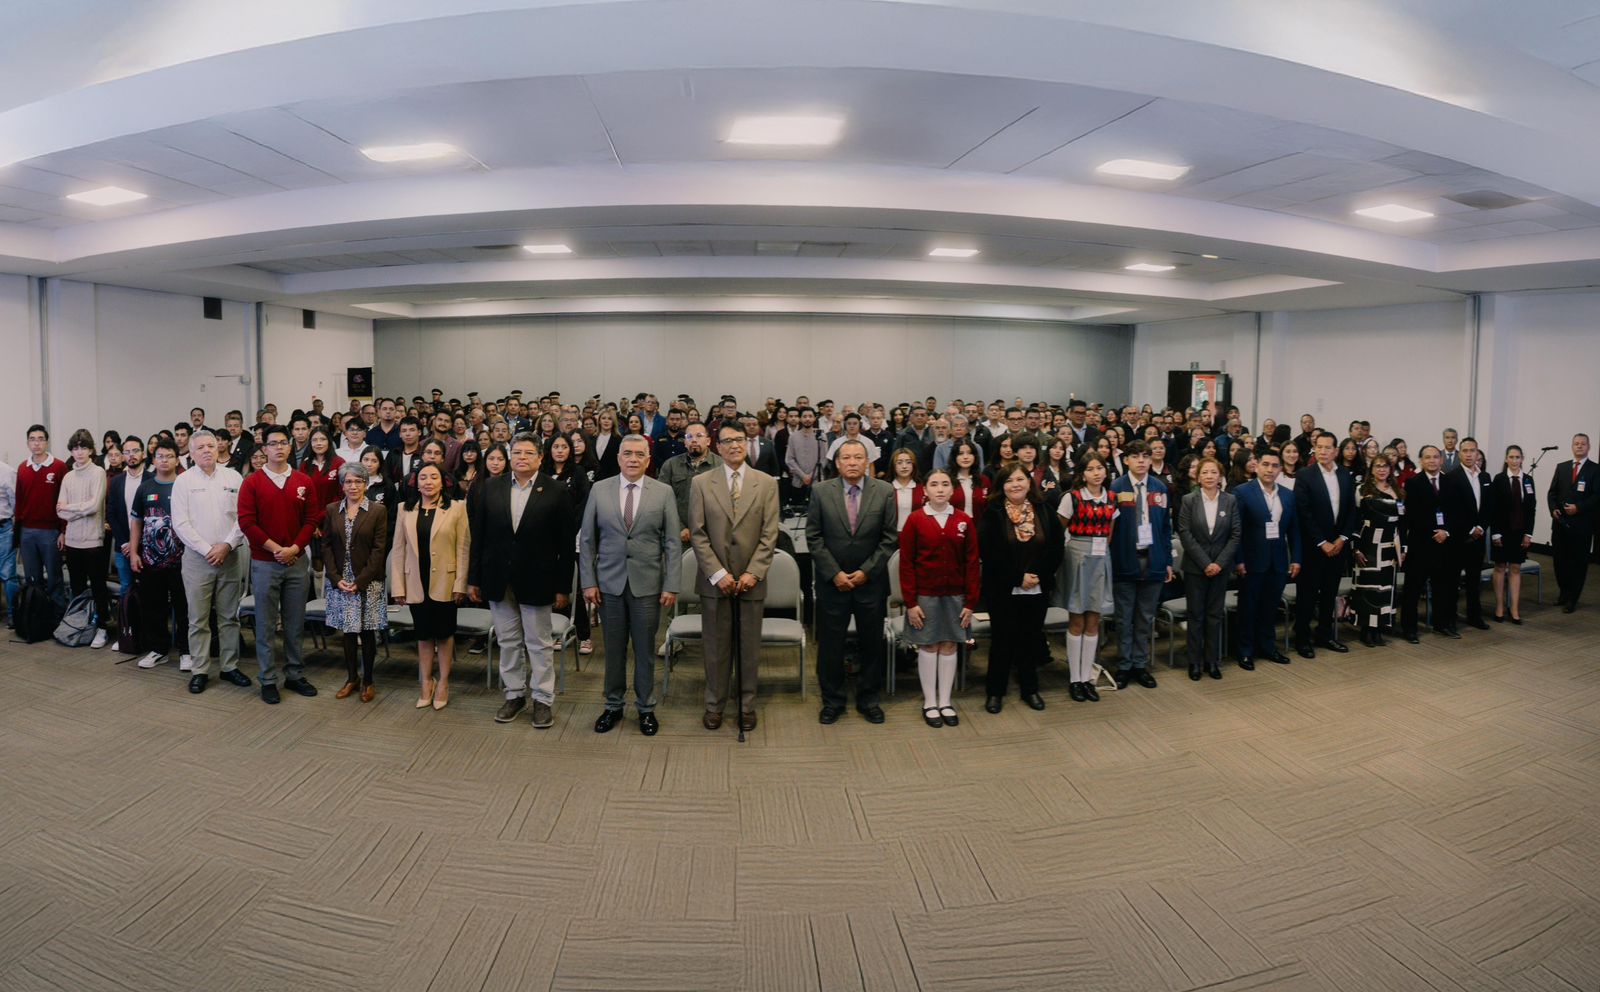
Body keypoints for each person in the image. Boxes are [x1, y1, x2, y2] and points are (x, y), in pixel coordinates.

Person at [469, 434, 575, 730]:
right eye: (516, 452)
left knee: (539, 643)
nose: (522, 457)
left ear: (541, 457)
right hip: (497, 577)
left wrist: (562, 586)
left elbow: (566, 546)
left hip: (538, 578)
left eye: (529, 453)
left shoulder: (556, 490)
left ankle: (543, 698)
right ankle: (514, 694)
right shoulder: (491, 487)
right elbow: (479, 537)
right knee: (508, 641)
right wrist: (473, 578)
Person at [580, 434, 680, 735]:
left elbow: (673, 543)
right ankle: (612, 706)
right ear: (619, 457)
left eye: (639, 454)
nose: (633, 459)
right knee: (613, 650)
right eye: (627, 453)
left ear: (649, 459)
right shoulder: (599, 489)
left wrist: (671, 584)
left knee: (645, 650)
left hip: (648, 586)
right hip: (608, 585)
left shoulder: (663, 492)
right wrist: (588, 581)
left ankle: (646, 708)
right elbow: (587, 540)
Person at [689, 423, 780, 733]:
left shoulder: (766, 483)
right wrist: (719, 573)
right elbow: (698, 534)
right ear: (717, 446)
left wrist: (754, 572)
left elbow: (770, 534)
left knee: (749, 648)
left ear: (747, 442)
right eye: (726, 441)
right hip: (716, 583)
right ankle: (714, 705)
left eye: (739, 440)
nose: (733, 446)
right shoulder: (701, 483)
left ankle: (746, 705)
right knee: (716, 648)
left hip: (751, 581)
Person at [806, 438, 899, 725]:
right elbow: (814, 536)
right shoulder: (821, 492)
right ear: (837, 462)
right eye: (846, 458)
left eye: (858, 457)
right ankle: (832, 701)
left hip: (869, 583)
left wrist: (866, 572)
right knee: (831, 645)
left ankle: (869, 699)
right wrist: (834, 573)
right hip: (832, 583)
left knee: (871, 644)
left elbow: (889, 538)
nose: (852, 462)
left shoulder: (884, 491)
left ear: (867, 460)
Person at [237, 424, 319, 705]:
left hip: (297, 561)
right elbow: (247, 522)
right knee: (266, 623)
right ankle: (268, 678)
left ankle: (295, 674)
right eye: (273, 443)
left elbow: (311, 520)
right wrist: (276, 550)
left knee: (296, 623)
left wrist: (294, 548)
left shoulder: (303, 481)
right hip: (265, 562)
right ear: (264, 448)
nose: (279, 447)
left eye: (284, 442)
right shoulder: (252, 482)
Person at [170, 429, 252, 693]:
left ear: (218, 449)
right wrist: (208, 549)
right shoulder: (183, 481)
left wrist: (227, 545)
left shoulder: (233, 477)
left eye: (210, 446)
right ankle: (200, 670)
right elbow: (180, 523)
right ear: (191, 454)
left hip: (230, 556)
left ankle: (229, 666)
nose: (206, 450)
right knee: (198, 618)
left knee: (229, 616)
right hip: (197, 558)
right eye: (200, 447)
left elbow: (243, 517)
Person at [978, 463, 1064, 712]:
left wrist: (1037, 575)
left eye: (1020, 479)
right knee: (1002, 640)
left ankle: (1030, 689)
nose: (1015, 485)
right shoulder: (993, 514)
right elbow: (990, 553)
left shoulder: (1045, 510)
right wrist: (1018, 578)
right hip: (1003, 587)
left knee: (1030, 638)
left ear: (1029, 482)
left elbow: (1056, 548)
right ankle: (995, 691)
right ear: (1001, 486)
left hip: (1037, 587)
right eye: (1009, 481)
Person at [898, 467, 979, 727]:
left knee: (950, 645)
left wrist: (970, 602)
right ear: (925, 490)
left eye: (945, 484)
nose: (940, 489)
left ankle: (945, 701)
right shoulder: (915, 520)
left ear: (953, 489)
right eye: (934, 484)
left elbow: (971, 563)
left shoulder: (964, 520)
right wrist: (910, 602)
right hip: (925, 596)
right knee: (929, 645)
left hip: (956, 596)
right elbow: (907, 564)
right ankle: (929, 701)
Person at [390, 464, 469, 709]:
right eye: (423, 477)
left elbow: (463, 548)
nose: (428, 482)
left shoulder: (457, 507)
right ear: (416, 482)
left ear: (443, 481)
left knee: (444, 635)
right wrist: (398, 587)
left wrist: (460, 583)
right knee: (423, 636)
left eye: (434, 477)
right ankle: (425, 681)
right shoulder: (405, 509)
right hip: (416, 581)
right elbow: (398, 549)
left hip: (446, 582)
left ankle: (444, 682)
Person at [1108, 441, 1173, 689]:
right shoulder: (1116, 487)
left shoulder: (1160, 487)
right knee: (1124, 618)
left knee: (1146, 616)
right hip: (1125, 559)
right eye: (1135, 457)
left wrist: (1167, 560)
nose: (1142, 461)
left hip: (1153, 558)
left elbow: (1166, 528)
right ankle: (1124, 665)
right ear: (1126, 461)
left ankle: (1140, 664)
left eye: (1146, 456)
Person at [323, 463, 389, 703]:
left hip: (368, 581)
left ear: (366, 484)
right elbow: (327, 546)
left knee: (368, 630)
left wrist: (360, 581)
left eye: (358, 481)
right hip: (341, 580)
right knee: (348, 631)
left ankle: (369, 680)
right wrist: (336, 578)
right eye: (348, 482)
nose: (353, 486)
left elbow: (379, 550)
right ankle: (352, 678)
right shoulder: (332, 510)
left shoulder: (377, 511)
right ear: (342, 485)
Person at [1233, 449, 1300, 668]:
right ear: (1257, 466)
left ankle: (1268, 647)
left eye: (1274, 466)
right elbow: (1237, 531)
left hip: (1278, 562)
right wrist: (1239, 560)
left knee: (1270, 608)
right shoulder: (1242, 492)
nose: (1270, 469)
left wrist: (1296, 558)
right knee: (1248, 608)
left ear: (1280, 469)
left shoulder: (1288, 495)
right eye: (1266, 464)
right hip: (1251, 562)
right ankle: (1245, 650)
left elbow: (1294, 531)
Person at [129, 439, 191, 671]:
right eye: (160, 456)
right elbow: (136, 522)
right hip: (150, 561)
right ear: (153, 460)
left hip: (183, 561)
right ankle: (159, 650)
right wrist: (134, 553)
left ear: (177, 459)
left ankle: (186, 651)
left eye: (169, 456)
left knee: (184, 607)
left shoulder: (185, 485)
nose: (164, 460)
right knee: (154, 607)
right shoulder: (145, 487)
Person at [1294, 432, 1356, 658]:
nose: (1322, 451)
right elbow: (1304, 513)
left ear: (1336, 451)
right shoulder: (1304, 475)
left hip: (1339, 546)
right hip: (1314, 547)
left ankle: (1325, 634)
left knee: (1330, 593)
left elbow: (1351, 510)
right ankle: (1302, 638)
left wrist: (1342, 538)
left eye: (1327, 448)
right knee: (1307, 595)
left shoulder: (1346, 475)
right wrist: (1322, 542)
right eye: (1318, 447)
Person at [1057, 453, 1114, 701]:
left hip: (1101, 557)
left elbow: (1110, 531)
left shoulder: (1112, 498)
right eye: (1090, 469)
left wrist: (1099, 551)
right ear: (1082, 474)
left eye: (1100, 468)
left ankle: (1087, 677)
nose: (1096, 473)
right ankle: (1074, 679)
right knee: (1077, 620)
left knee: (1094, 620)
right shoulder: (1072, 497)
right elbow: (1059, 530)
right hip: (1077, 556)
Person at [1177, 457, 1240, 680]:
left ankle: (1212, 661)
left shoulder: (1230, 500)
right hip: (1196, 567)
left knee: (1214, 615)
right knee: (1196, 615)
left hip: (1220, 568)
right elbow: (1185, 533)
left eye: (1214, 472)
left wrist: (1219, 563)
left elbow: (1235, 535)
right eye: (1205, 472)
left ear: (1220, 476)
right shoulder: (1188, 500)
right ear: (1198, 476)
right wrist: (1205, 563)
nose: (1210, 476)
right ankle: (1194, 662)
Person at [56, 429, 111, 648]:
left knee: (98, 586)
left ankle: (102, 628)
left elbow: (94, 506)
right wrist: (76, 509)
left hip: (93, 541)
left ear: (91, 450)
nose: (79, 452)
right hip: (72, 541)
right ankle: (80, 626)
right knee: (77, 588)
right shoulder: (68, 476)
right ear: (71, 450)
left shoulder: (98, 472)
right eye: (76, 448)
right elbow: (60, 511)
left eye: (84, 447)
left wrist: (71, 508)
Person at [1399, 445, 1459, 642]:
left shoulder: (1451, 481)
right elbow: (1412, 516)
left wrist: (1446, 531)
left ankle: (1441, 624)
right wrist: (1433, 532)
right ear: (1421, 460)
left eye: (1435, 457)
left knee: (1443, 587)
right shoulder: (1413, 483)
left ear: (1441, 460)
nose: (1432, 460)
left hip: (1444, 544)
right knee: (1413, 590)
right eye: (1427, 457)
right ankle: (1410, 629)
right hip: (1420, 544)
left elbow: (1456, 511)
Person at [546, 432, 594, 655]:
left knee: (573, 585)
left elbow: (584, 503)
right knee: (552, 585)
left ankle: (584, 635)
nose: (560, 450)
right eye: (556, 446)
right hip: (546, 537)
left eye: (564, 447)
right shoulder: (543, 472)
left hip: (572, 536)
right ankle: (558, 631)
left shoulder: (578, 472)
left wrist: (568, 527)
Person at [1352, 453, 1403, 647]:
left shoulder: (1398, 491)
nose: (1381, 469)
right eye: (1377, 466)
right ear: (1371, 469)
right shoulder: (1362, 490)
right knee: (1369, 589)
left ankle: (1379, 629)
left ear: (1390, 469)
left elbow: (1402, 522)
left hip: (1390, 547)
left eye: (1385, 466)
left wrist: (1403, 548)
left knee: (1385, 590)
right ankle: (1366, 630)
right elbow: (1355, 519)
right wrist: (1356, 548)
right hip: (1368, 545)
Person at [16, 425, 68, 608]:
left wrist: (63, 531)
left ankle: (58, 618)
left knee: (55, 578)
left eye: (40, 439)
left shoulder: (60, 467)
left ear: (47, 442)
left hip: (50, 532)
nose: (36, 443)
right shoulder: (23, 468)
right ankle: (36, 619)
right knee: (32, 579)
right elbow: (19, 501)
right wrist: (18, 535)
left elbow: (65, 502)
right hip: (27, 533)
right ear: (28, 442)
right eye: (32, 439)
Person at [1444, 437, 1492, 632]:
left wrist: (1481, 526)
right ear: (1460, 453)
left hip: (1479, 538)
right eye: (1465, 451)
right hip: (1458, 538)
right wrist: (1470, 529)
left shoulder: (1485, 477)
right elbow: (1452, 510)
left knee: (1474, 580)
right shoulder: (1451, 477)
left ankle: (1474, 616)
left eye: (1473, 451)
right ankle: (1450, 618)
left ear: (1477, 453)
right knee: (1453, 580)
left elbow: (1489, 506)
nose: (1469, 454)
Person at [1547, 433, 1597, 614]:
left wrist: (1578, 508)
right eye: (1576, 444)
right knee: (1560, 562)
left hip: (1582, 526)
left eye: (1583, 444)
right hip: (1560, 524)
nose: (1579, 446)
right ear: (1572, 446)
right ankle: (1563, 593)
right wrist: (1553, 509)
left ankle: (1572, 599)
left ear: (1588, 447)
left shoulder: (1595, 469)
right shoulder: (1562, 467)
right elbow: (1551, 493)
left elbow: (1597, 497)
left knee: (1578, 563)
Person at [1490, 444, 1536, 624]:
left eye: (1518, 457)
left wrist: (1529, 534)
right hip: (1502, 532)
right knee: (1500, 567)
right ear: (1506, 459)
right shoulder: (1499, 479)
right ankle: (1500, 606)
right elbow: (1493, 509)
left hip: (1520, 532)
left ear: (1522, 459)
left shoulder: (1528, 480)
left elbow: (1531, 509)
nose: (1515, 460)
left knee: (1516, 568)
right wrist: (1495, 533)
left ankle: (1514, 609)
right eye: (1511, 457)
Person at [887, 448, 924, 530]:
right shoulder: (886, 489)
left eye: (908, 462)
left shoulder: (922, 489)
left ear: (913, 465)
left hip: (916, 536)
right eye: (899, 463)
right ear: (893, 466)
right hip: (891, 537)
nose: (904, 466)